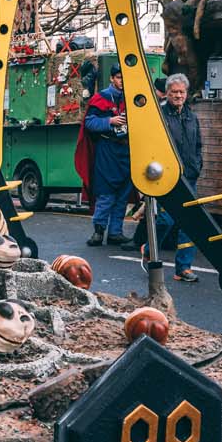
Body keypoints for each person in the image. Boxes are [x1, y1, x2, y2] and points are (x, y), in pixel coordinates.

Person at [144, 72, 203, 282]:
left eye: (182, 92)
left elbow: (197, 146)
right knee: (166, 221)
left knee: (190, 223)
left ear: (186, 93)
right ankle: (150, 248)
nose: (178, 95)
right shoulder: (159, 115)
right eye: (174, 92)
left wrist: (197, 165)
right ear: (167, 93)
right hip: (166, 178)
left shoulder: (191, 116)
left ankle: (183, 268)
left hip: (189, 177)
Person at [75, 64, 132, 248]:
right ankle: (99, 231)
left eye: (124, 78)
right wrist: (110, 121)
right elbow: (90, 123)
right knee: (106, 194)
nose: (121, 81)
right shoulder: (101, 98)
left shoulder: (133, 97)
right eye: (118, 77)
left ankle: (116, 232)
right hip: (108, 150)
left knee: (123, 195)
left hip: (127, 151)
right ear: (111, 79)